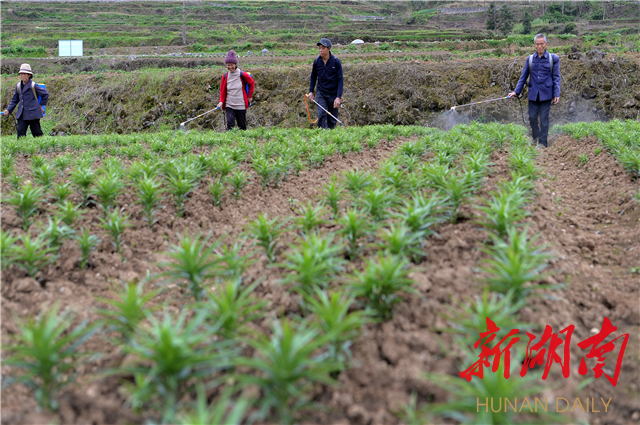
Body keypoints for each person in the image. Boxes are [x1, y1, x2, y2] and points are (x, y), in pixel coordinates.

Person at [508, 34, 560, 148]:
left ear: (546, 44)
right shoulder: (530, 59)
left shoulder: (553, 59)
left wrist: (556, 93)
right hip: (533, 94)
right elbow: (523, 77)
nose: (539, 46)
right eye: (537, 44)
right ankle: (535, 137)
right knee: (532, 117)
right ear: (534, 45)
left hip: (546, 94)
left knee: (544, 119)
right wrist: (516, 92)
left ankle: (542, 143)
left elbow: (556, 77)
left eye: (542, 44)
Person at [3, 63, 49, 139]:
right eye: (21, 74)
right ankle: (21, 146)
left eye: (24, 74)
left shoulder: (33, 85)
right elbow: (14, 100)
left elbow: (45, 94)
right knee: (20, 135)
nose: (23, 76)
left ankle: (43, 146)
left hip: (33, 114)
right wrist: (8, 110)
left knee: (37, 134)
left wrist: (41, 105)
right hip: (22, 114)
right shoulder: (18, 86)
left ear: (29, 75)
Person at [307, 38, 343, 129]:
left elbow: (340, 80)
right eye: (319, 48)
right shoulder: (317, 62)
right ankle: (322, 133)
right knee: (322, 114)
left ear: (329, 49)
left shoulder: (336, 61)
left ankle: (331, 135)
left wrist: (338, 97)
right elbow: (313, 77)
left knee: (332, 120)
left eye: (323, 48)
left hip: (333, 93)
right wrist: (311, 91)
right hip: (321, 92)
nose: (320, 50)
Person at [217, 50, 255, 131]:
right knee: (230, 125)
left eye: (232, 65)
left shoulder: (242, 74)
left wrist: (249, 96)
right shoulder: (225, 76)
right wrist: (221, 101)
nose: (230, 67)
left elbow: (252, 83)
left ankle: (242, 139)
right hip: (229, 104)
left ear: (235, 64)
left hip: (241, 104)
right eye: (228, 65)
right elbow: (222, 91)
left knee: (242, 126)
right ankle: (230, 139)